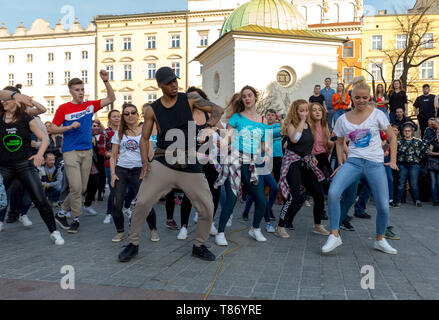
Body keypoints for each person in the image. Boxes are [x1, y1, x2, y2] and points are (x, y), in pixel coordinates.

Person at [118, 66, 224, 262]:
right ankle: (133, 244)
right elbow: (144, 138)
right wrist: (144, 163)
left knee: (207, 207)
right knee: (142, 202)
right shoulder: (153, 110)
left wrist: (209, 127)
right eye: (168, 82)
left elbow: (218, 109)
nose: (174, 84)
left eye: (175, 80)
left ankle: (199, 245)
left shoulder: (190, 99)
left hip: (189, 162)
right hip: (163, 161)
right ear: (159, 85)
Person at [322, 76, 398, 255]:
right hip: (354, 163)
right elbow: (340, 143)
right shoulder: (343, 119)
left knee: (383, 206)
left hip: (374, 164)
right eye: (358, 97)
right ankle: (334, 235)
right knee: (333, 193)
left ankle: (380, 239)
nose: (362, 100)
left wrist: (393, 159)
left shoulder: (377, 114)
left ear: (369, 97)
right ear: (352, 98)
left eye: (365, 97)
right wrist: (341, 163)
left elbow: (392, 137)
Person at [50, 70, 115, 234]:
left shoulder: (89, 106)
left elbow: (111, 99)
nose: (80, 92)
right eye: (77, 90)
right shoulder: (63, 108)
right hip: (70, 151)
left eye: (82, 89)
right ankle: (76, 219)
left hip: (87, 151)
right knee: (76, 186)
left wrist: (106, 81)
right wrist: (68, 127)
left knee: (82, 188)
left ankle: (61, 212)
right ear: (70, 91)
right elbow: (52, 128)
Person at [0, 88, 64, 244]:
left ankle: (54, 231)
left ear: (17, 102)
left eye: (6, 100)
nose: (3, 102)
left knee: (40, 199)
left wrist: (39, 154)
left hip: (24, 165)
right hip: (4, 167)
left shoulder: (26, 118)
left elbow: (45, 139)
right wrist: (15, 94)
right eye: (3, 99)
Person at [214, 85, 270, 246]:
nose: (247, 98)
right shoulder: (236, 117)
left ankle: (255, 228)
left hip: (253, 164)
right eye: (244, 96)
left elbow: (264, 142)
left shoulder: (262, 120)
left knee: (261, 200)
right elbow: (228, 139)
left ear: (255, 97)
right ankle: (220, 232)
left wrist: (264, 152)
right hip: (236, 161)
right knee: (231, 199)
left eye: (250, 95)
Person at [274, 99, 329, 239]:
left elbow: (309, 143)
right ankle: (280, 226)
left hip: (306, 161)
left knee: (318, 193)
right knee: (294, 196)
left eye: (306, 110)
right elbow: (295, 139)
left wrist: (311, 155)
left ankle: (317, 225)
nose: (305, 112)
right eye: (302, 110)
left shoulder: (309, 125)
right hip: (293, 162)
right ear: (295, 112)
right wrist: (302, 122)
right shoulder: (291, 125)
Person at [176, 87, 223, 240]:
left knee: (214, 192)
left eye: (198, 97)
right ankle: (183, 226)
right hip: (191, 159)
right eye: (191, 97)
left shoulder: (209, 114)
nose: (195, 101)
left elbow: (223, 133)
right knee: (189, 194)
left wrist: (213, 128)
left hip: (209, 160)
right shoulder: (184, 116)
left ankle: (209, 222)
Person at [110, 103, 159, 243]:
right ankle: (120, 232)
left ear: (138, 115)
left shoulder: (145, 130)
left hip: (139, 170)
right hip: (122, 170)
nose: (130, 116)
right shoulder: (119, 132)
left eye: (133, 113)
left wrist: (148, 168)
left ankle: (153, 230)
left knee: (145, 202)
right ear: (123, 117)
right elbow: (113, 156)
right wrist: (113, 174)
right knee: (117, 203)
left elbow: (150, 152)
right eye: (126, 114)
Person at [393, 122, 429, 208]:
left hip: (414, 165)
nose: (407, 132)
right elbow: (394, 152)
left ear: (412, 132)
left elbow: (426, 151)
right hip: (402, 165)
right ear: (403, 132)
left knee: (414, 183)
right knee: (401, 183)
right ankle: (397, 200)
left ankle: (416, 200)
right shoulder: (399, 142)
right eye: (405, 131)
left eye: (409, 131)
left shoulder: (418, 141)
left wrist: (419, 158)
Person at [98, 110, 121, 224]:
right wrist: (112, 155)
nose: (117, 118)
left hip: (125, 164)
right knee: (113, 189)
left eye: (118, 116)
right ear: (110, 119)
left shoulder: (125, 132)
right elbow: (101, 149)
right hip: (109, 164)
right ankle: (109, 213)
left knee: (125, 188)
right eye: (114, 117)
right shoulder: (105, 133)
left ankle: (124, 208)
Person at [83, 120, 102, 216]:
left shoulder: (95, 136)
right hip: (82, 162)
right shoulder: (84, 134)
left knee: (94, 183)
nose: (96, 127)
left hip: (92, 164)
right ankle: (68, 209)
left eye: (97, 126)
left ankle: (87, 205)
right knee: (78, 187)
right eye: (94, 126)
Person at [427, 129, 439, 206]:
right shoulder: (433, 141)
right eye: (438, 132)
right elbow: (429, 151)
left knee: (438, 182)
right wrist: (438, 153)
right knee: (433, 182)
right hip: (433, 164)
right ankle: (435, 199)